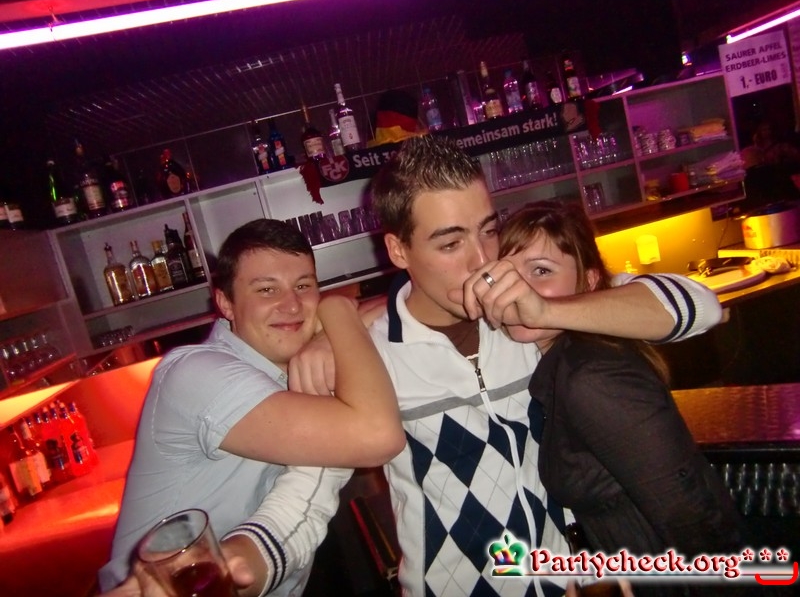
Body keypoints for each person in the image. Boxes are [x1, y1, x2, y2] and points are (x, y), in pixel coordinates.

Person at [221, 135, 723, 597]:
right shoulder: (367, 356)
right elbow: (307, 493)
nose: (481, 260)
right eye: (450, 243)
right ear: (398, 249)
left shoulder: (527, 324)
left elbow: (701, 306)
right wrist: (246, 558)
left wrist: (548, 311)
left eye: (488, 231)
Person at [97, 218, 405, 596]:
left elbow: (403, 306)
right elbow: (376, 436)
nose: (291, 305)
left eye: (304, 286)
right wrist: (337, 313)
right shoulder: (195, 373)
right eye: (266, 290)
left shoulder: (292, 363)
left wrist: (328, 336)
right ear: (225, 303)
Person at [487, 201, 742, 596]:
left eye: (542, 271)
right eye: (509, 274)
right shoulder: (560, 358)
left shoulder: (591, 377)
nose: (518, 290)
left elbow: (691, 517)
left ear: (589, 282)